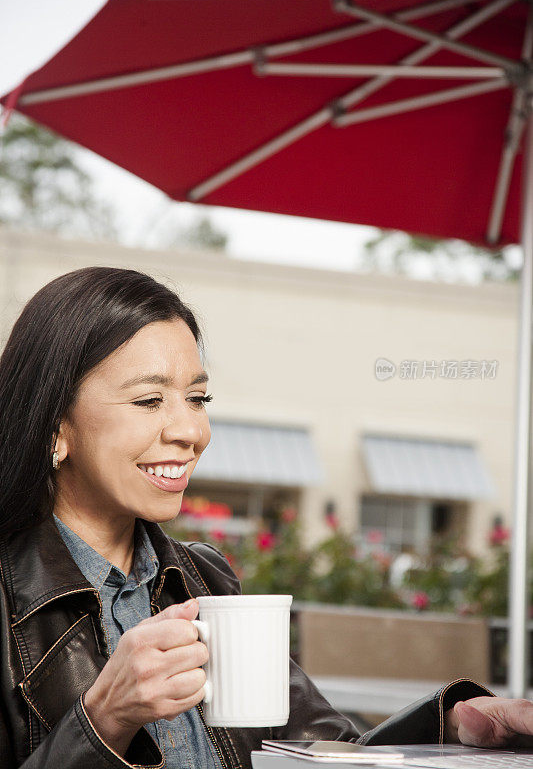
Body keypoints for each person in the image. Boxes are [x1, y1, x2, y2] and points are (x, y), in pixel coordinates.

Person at [0, 266, 531, 769]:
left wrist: (454, 723)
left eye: (198, 397)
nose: (191, 431)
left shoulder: (203, 580)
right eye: (148, 400)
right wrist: (102, 721)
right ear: (55, 428)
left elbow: (318, 752)